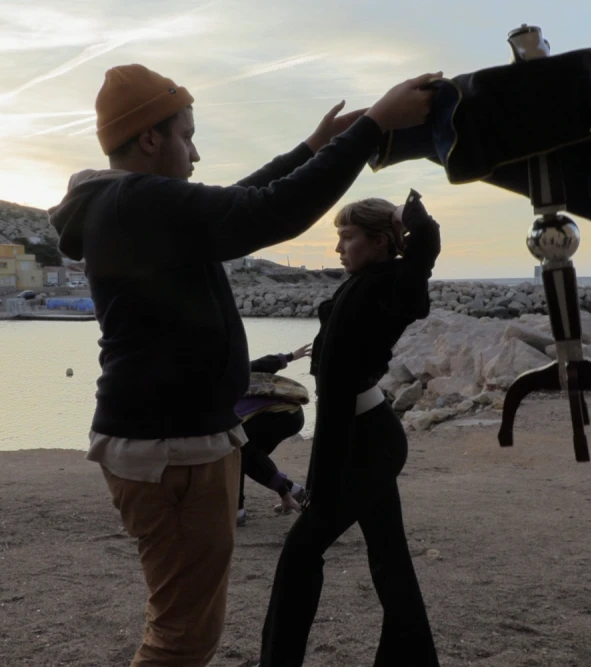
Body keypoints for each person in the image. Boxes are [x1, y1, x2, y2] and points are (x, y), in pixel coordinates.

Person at [47, 63, 440, 666]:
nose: (196, 152)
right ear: (150, 137)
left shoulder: (128, 204)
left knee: (182, 626)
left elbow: (242, 204)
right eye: (187, 135)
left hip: (173, 443)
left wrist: (313, 148)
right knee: (182, 637)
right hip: (171, 450)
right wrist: (374, 127)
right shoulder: (134, 201)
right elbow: (266, 212)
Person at [258, 190, 442, 666]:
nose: (339, 248)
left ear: (380, 242)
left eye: (348, 237)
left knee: (300, 552)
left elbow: (425, 241)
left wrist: (403, 215)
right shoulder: (364, 281)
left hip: (367, 439)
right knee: (389, 555)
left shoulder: (391, 285)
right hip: (367, 433)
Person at [236, 344, 312, 527]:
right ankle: (293, 491)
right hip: (291, 414)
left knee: (240, 451)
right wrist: (290, 356)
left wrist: (290, 356)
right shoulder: (225, 375)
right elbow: (257, 365)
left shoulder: (216, 399)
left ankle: (239, 510)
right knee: (244, 457)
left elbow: (257, 365)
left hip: (281, 415)